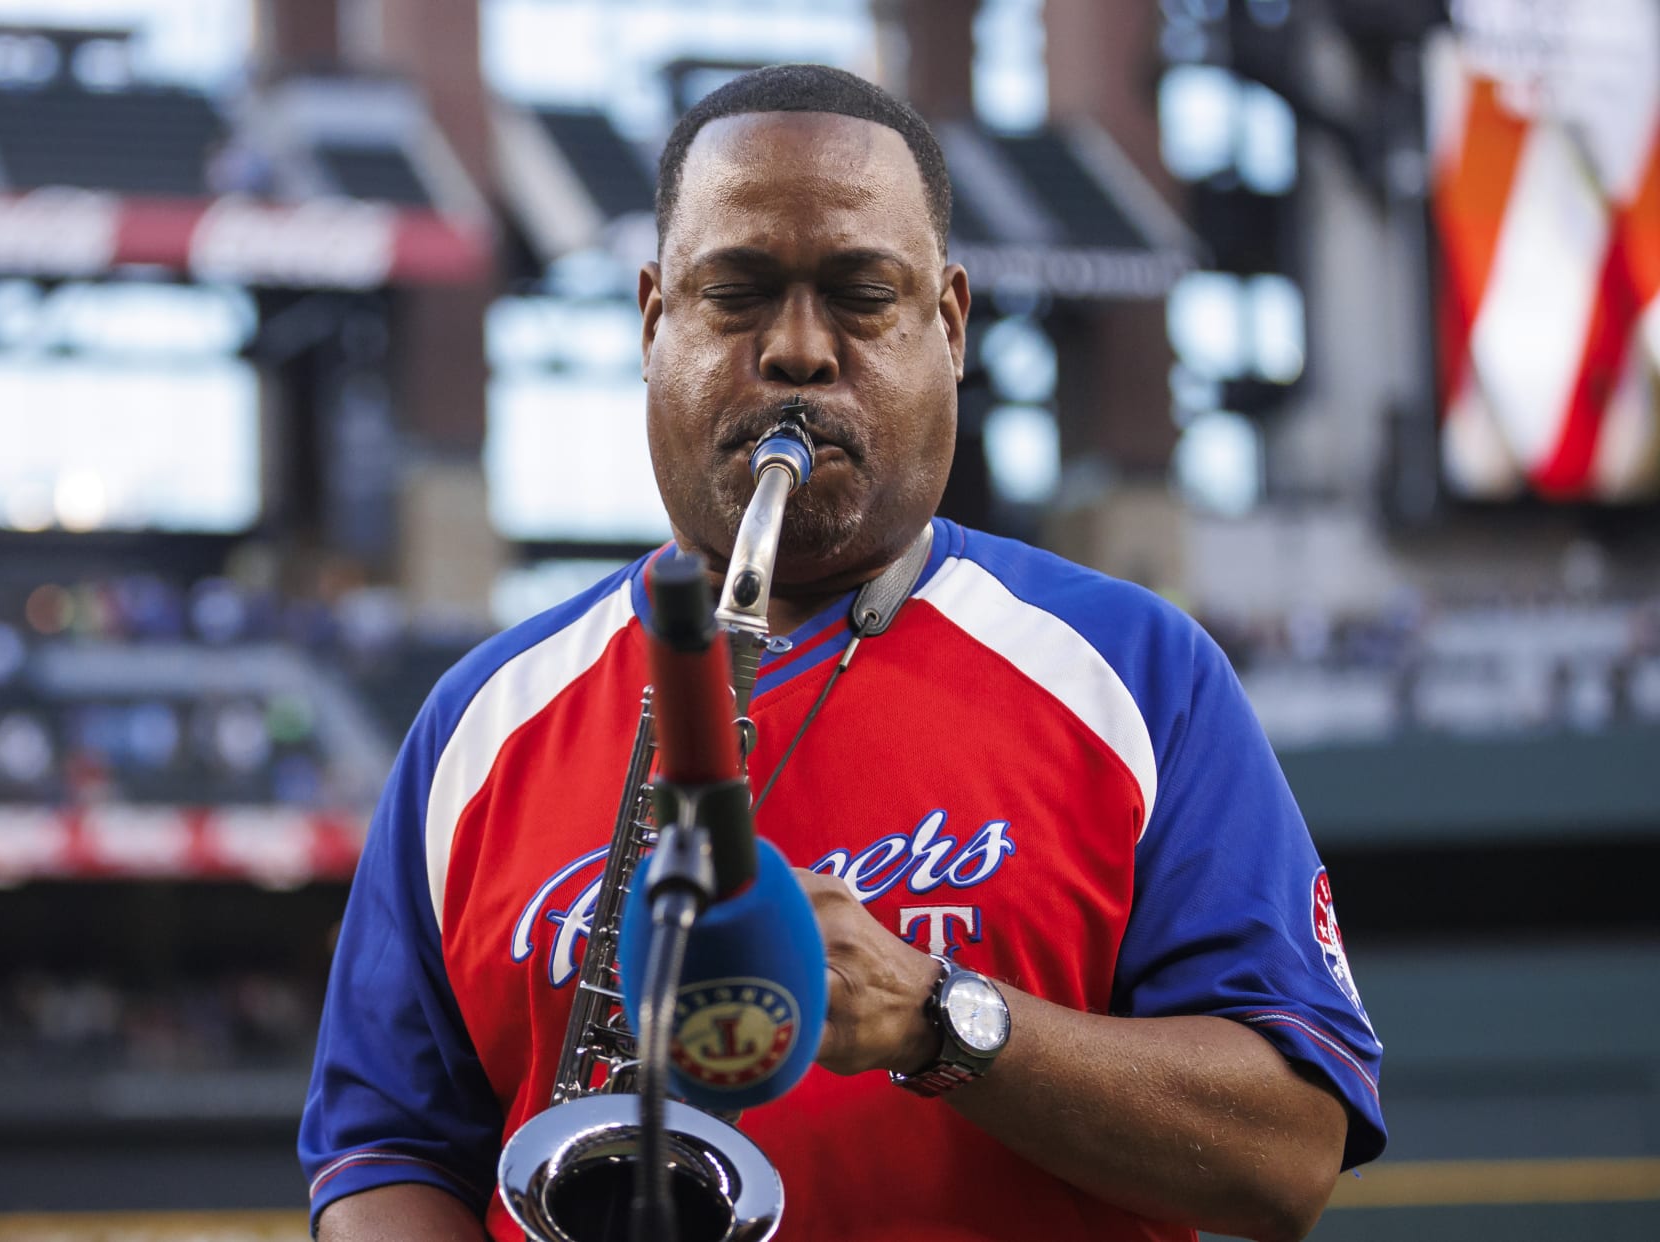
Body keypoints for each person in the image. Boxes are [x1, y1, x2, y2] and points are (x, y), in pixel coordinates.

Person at [300, 64, 1384, 1242]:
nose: (799, 351)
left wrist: (937, 1017)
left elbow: (1289, 1154)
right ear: (653, 320)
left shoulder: (1138, 672)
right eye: (737, 295)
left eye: (863, 297)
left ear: (950, 325)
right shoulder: (477, 721)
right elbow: (383, 1156)